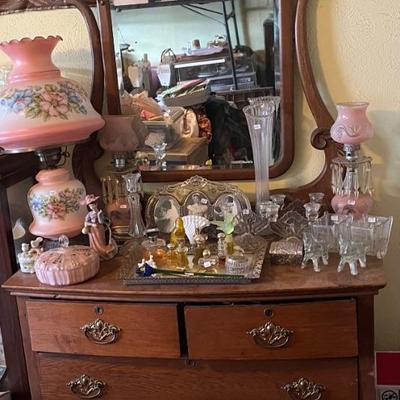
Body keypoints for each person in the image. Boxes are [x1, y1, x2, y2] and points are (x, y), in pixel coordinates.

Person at [82, 195, 117, 260]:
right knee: (95, 241)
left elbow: (103, 221)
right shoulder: (89, 214)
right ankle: (97, 252)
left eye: (93, 204)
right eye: (90, 205)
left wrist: (104, 220)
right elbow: (85, 222)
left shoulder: (100, 212)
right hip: (93, 230)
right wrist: (92, 224)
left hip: (100, 228)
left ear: (96, 204)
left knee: (101, 240)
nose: (91, 206)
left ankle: (102, 251)